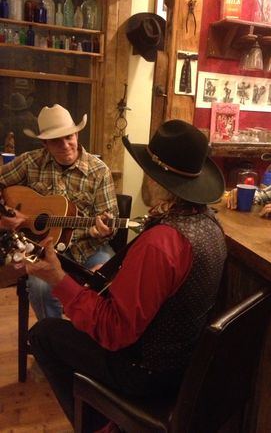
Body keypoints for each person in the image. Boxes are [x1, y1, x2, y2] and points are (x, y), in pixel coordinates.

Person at [23, 120, 227, 432]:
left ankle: (96, 425)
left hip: (146, 371)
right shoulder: (210, 225)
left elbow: (114, 331)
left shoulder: (162, 242)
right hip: (183, 360)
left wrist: (58, 281)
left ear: (157, 180)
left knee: (44, 335)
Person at [0, 104, 118, 320]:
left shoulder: (99, 171)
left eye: (69, 136)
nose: (65, 145)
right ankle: (52, 341)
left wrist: (100, 230)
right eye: (56, 140)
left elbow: (109, 222)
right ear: (44, 143)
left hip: (88, 249)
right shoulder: (30, 162)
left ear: (77, 133)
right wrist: (5, 212)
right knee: (41, 288)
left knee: (108, 280)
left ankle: (88, 340)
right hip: (42, 249)